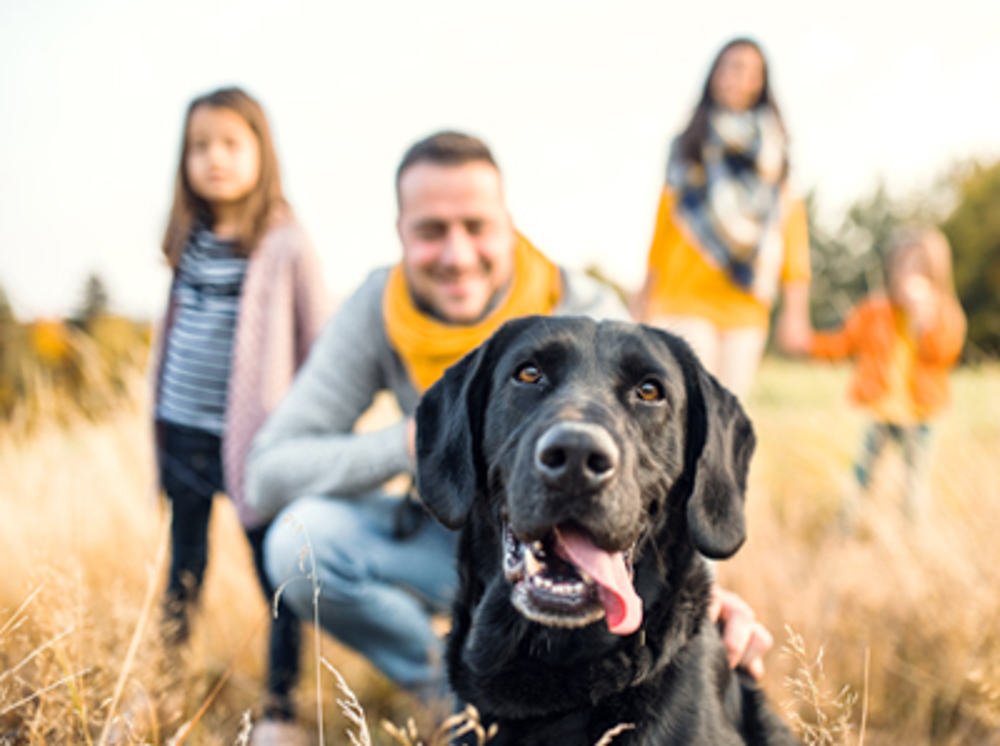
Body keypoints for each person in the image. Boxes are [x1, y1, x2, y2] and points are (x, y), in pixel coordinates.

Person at [245, 131, 776, 715]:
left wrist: (710, 599)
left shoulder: (589, 311)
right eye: (430, 231)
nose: (457, 254)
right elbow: (268, 472)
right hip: (448, 534)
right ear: (400, 233)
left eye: (476, 226)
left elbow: (657, 467)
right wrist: (414, 445)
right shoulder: (378, 308)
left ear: (508, 224)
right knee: (301, 542)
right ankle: (462, 702)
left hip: (579, 540)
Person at [151, 87, 329, 741]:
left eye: (230, 144)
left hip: (257, 447)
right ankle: (164, 688)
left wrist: (307, 431)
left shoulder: (284, 240)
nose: (214, 159)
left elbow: (321, 342)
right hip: (183, 434)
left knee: (278, 574)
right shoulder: (188, 238)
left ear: (261, 152)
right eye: (200, 147)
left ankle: (281, 709)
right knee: (183, 571)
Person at [634, 37, 811, 399]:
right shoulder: (688, 145)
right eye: (730, 66)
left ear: (761, 83)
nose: (738, 77)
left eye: (750, 71)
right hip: (682, 297)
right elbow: (664, 226)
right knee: (686, 403)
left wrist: (796, 311)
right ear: (714, 75)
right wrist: (643, 296)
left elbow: (791, 232)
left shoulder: (776, 155)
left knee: (726, 416)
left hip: (745, 304)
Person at [807, 227, 966, 520]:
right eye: (903, 265)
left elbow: (945, 354)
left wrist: (925, 321)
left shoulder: (944, 313)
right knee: (863, 472)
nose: (909, 274)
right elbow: (842, 344)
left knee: (914, 479)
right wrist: (806, 342)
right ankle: (846, 523)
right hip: (882, 410)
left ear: (936, 271)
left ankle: (913, 530)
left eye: (919, 266)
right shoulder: (874, 311)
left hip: (921, 414)